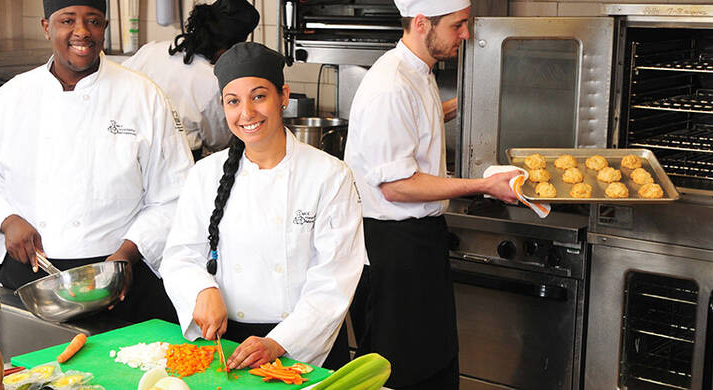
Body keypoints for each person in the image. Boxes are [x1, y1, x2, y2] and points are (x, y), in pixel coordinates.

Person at [0, 0, 194, 324]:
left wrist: (128, 253)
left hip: (120, 279)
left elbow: (174, 194)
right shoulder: (10, 99)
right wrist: (7, 219)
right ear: (46, 27)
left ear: (105, 27)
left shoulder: (144, 96)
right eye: (67, 20)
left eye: (94, 21)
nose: (82, 32)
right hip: (31, 278)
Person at [343, 0, 519, 388]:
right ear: (422, 23)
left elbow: (411, 124)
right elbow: (397, 186)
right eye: (458, 26)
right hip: (392, 250)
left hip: (419, 242)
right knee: (400, 373)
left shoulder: (416, 73)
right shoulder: (390, 86)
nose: (467, 34)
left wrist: (454, 108)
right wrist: (483, 185)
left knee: (435, 363)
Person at [160, 42, 366, 370]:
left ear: (283, 96)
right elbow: (179, 256)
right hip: (227, 345)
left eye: (259, 96)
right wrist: (201, 289)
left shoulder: (330, 176)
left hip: (302, 345)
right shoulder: (205, 175)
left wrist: (277, 343)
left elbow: (335, 278)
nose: (247, 113)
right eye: (233, 101)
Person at [121, 0, 259, 159]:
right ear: (226, 48)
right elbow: (219, 140)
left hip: (127, 150)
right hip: (178, 162)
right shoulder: (211, 83)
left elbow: (116, 88)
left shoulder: (150, 50)